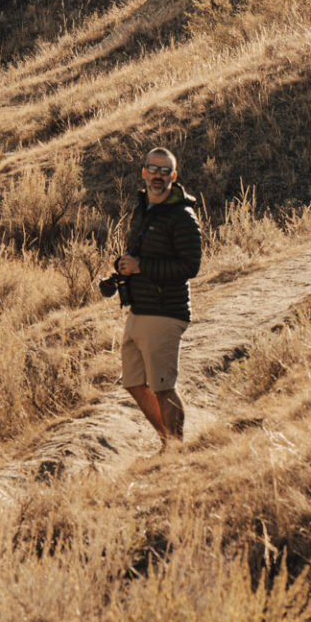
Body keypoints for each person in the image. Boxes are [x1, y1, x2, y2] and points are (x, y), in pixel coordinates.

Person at [104, 147, 202, 445]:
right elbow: (141, 253)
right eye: (153, 169)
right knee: (134, 383)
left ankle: (175, 449)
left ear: (173, 176)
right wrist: (123, 268)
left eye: (164, 171)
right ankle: (169, 443)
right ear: (143, 172)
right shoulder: (144, 208)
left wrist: (142, 266)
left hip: (165, 310)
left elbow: (190, 266)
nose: (158, 176)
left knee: (162, 387)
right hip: (140, 308)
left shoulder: (182, 216)